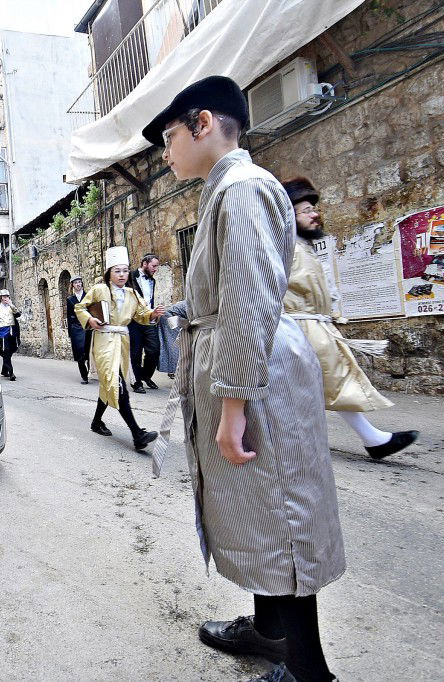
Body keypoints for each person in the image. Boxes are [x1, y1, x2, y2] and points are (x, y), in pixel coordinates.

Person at [143, 76, 344, 682]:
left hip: (256, 376)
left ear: (203, 124)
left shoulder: (243, 187)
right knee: (259, 512)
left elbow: (252, 299)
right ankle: (268, 629)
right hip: (245, 366)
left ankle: (310, 671)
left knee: (281, 517)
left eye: (170, 137)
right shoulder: (224, 190)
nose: (166, 152)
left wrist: (233, 407)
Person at [281, 176, 419, 460]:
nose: (314, 215)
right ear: (288, 215)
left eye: (312, 209)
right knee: (316, 385)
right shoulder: (284, 249)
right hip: (296, 329)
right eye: (305, 211)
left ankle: (373, 438)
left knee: (330, 382)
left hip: (313, 328)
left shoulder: (301, 248)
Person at [75, 247, 162, 451]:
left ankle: (96, 422)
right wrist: (90, 319)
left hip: (122, 342)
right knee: (116, 382)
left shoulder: (132, 294)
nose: (122, 275)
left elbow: (141, 315)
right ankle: (137, 434)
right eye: (117, 271)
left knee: (109, 383)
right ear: (109, 273)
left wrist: (153, 314)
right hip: (104, 341)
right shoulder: (99, 290)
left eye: (125, 271)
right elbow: (80, 307)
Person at [128, 254, 166, 392]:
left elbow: (149, 300)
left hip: (149, 319)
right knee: (136, 352)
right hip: (134, 321)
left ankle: (145, 375)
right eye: (154, 266)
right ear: (145, 263)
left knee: (154, 350)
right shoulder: (129, 276)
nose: (156, 269)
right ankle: (137, 382)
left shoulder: (152, 281)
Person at [0, 289, 21, 381]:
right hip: (1, 333)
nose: (5, 298)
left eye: (7, 296)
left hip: (12, 332)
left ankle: (4, 370)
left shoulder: (12, 307)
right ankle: (11, 373)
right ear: (1, 298)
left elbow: (18, 314)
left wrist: (11, 304)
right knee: (6, 351)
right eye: (4, 296)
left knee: (9, 352)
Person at [66, 275, 92, 384]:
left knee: (88, 352)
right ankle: (84, 376)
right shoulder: (70, 299)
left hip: (88, 327)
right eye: (76, 282)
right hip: (76, 328)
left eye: (80, 282)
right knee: (79, 353)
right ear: (72, 285)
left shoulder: (88, 296)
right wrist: (70, 332)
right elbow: (69, 316)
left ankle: (91, 370)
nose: (78, 284)